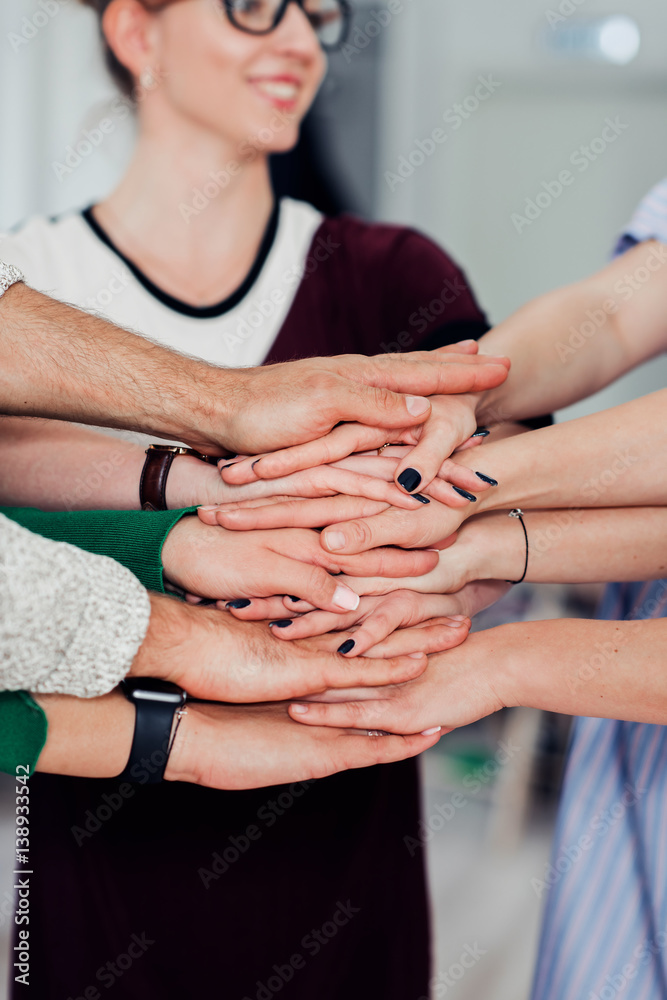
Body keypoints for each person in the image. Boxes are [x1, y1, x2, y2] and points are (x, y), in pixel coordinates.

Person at [0, 1, 510, 996]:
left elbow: (499, 499)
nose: (298, 41)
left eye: (318, 15)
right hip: (97, 839)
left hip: (343, 822)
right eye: (250, 6)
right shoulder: (33, 283)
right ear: (135, 32)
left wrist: (443, 580)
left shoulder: (392, 274)